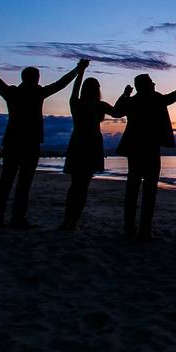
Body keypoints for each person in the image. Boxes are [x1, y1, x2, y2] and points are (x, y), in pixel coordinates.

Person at [0, 59, 86, 228]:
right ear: (36, 78)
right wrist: (77, 70)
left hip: (12, 141)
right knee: (23, 182)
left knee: (6, 180)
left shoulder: (12, 93)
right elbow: (60, 84)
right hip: (31, 142)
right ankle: (17, 218)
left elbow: (0, 84)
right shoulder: (36, 92)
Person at [113, 66, 176, 241]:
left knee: (132, 189)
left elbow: (117, 112)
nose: (155, 84)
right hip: (150, 150)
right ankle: (144, 230)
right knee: (149, 190)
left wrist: (125, 95)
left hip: (134, 150)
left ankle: (129, 227)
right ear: (146, 86)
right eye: (152, 82)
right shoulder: (155, 99)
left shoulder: (132, 101)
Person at [60, 62, 130, 231]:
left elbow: (75, 88)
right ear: (97, 90)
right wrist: (125, 95)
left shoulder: (76, 103)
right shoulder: (99, 105)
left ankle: (67, 221)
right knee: (83, 185)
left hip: (77, 142)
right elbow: (118, 113)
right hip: (91, 143)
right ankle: (73, 222)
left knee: (75, 184)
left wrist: (81, 71)